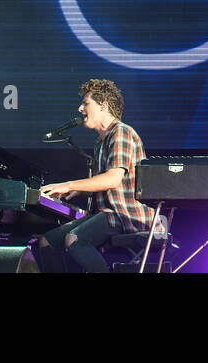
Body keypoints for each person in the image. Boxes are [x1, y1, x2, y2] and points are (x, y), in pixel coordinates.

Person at [33, 79, 153, 273]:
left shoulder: (121, 133)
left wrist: (70, 185)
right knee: (47, 242)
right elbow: (108, 185)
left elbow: (113, 179)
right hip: (107, 214)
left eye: (86, 103)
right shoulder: (100, 143)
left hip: (124, 215)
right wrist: (79, 191)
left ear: (103, 106)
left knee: (75, 239)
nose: (80, 109)